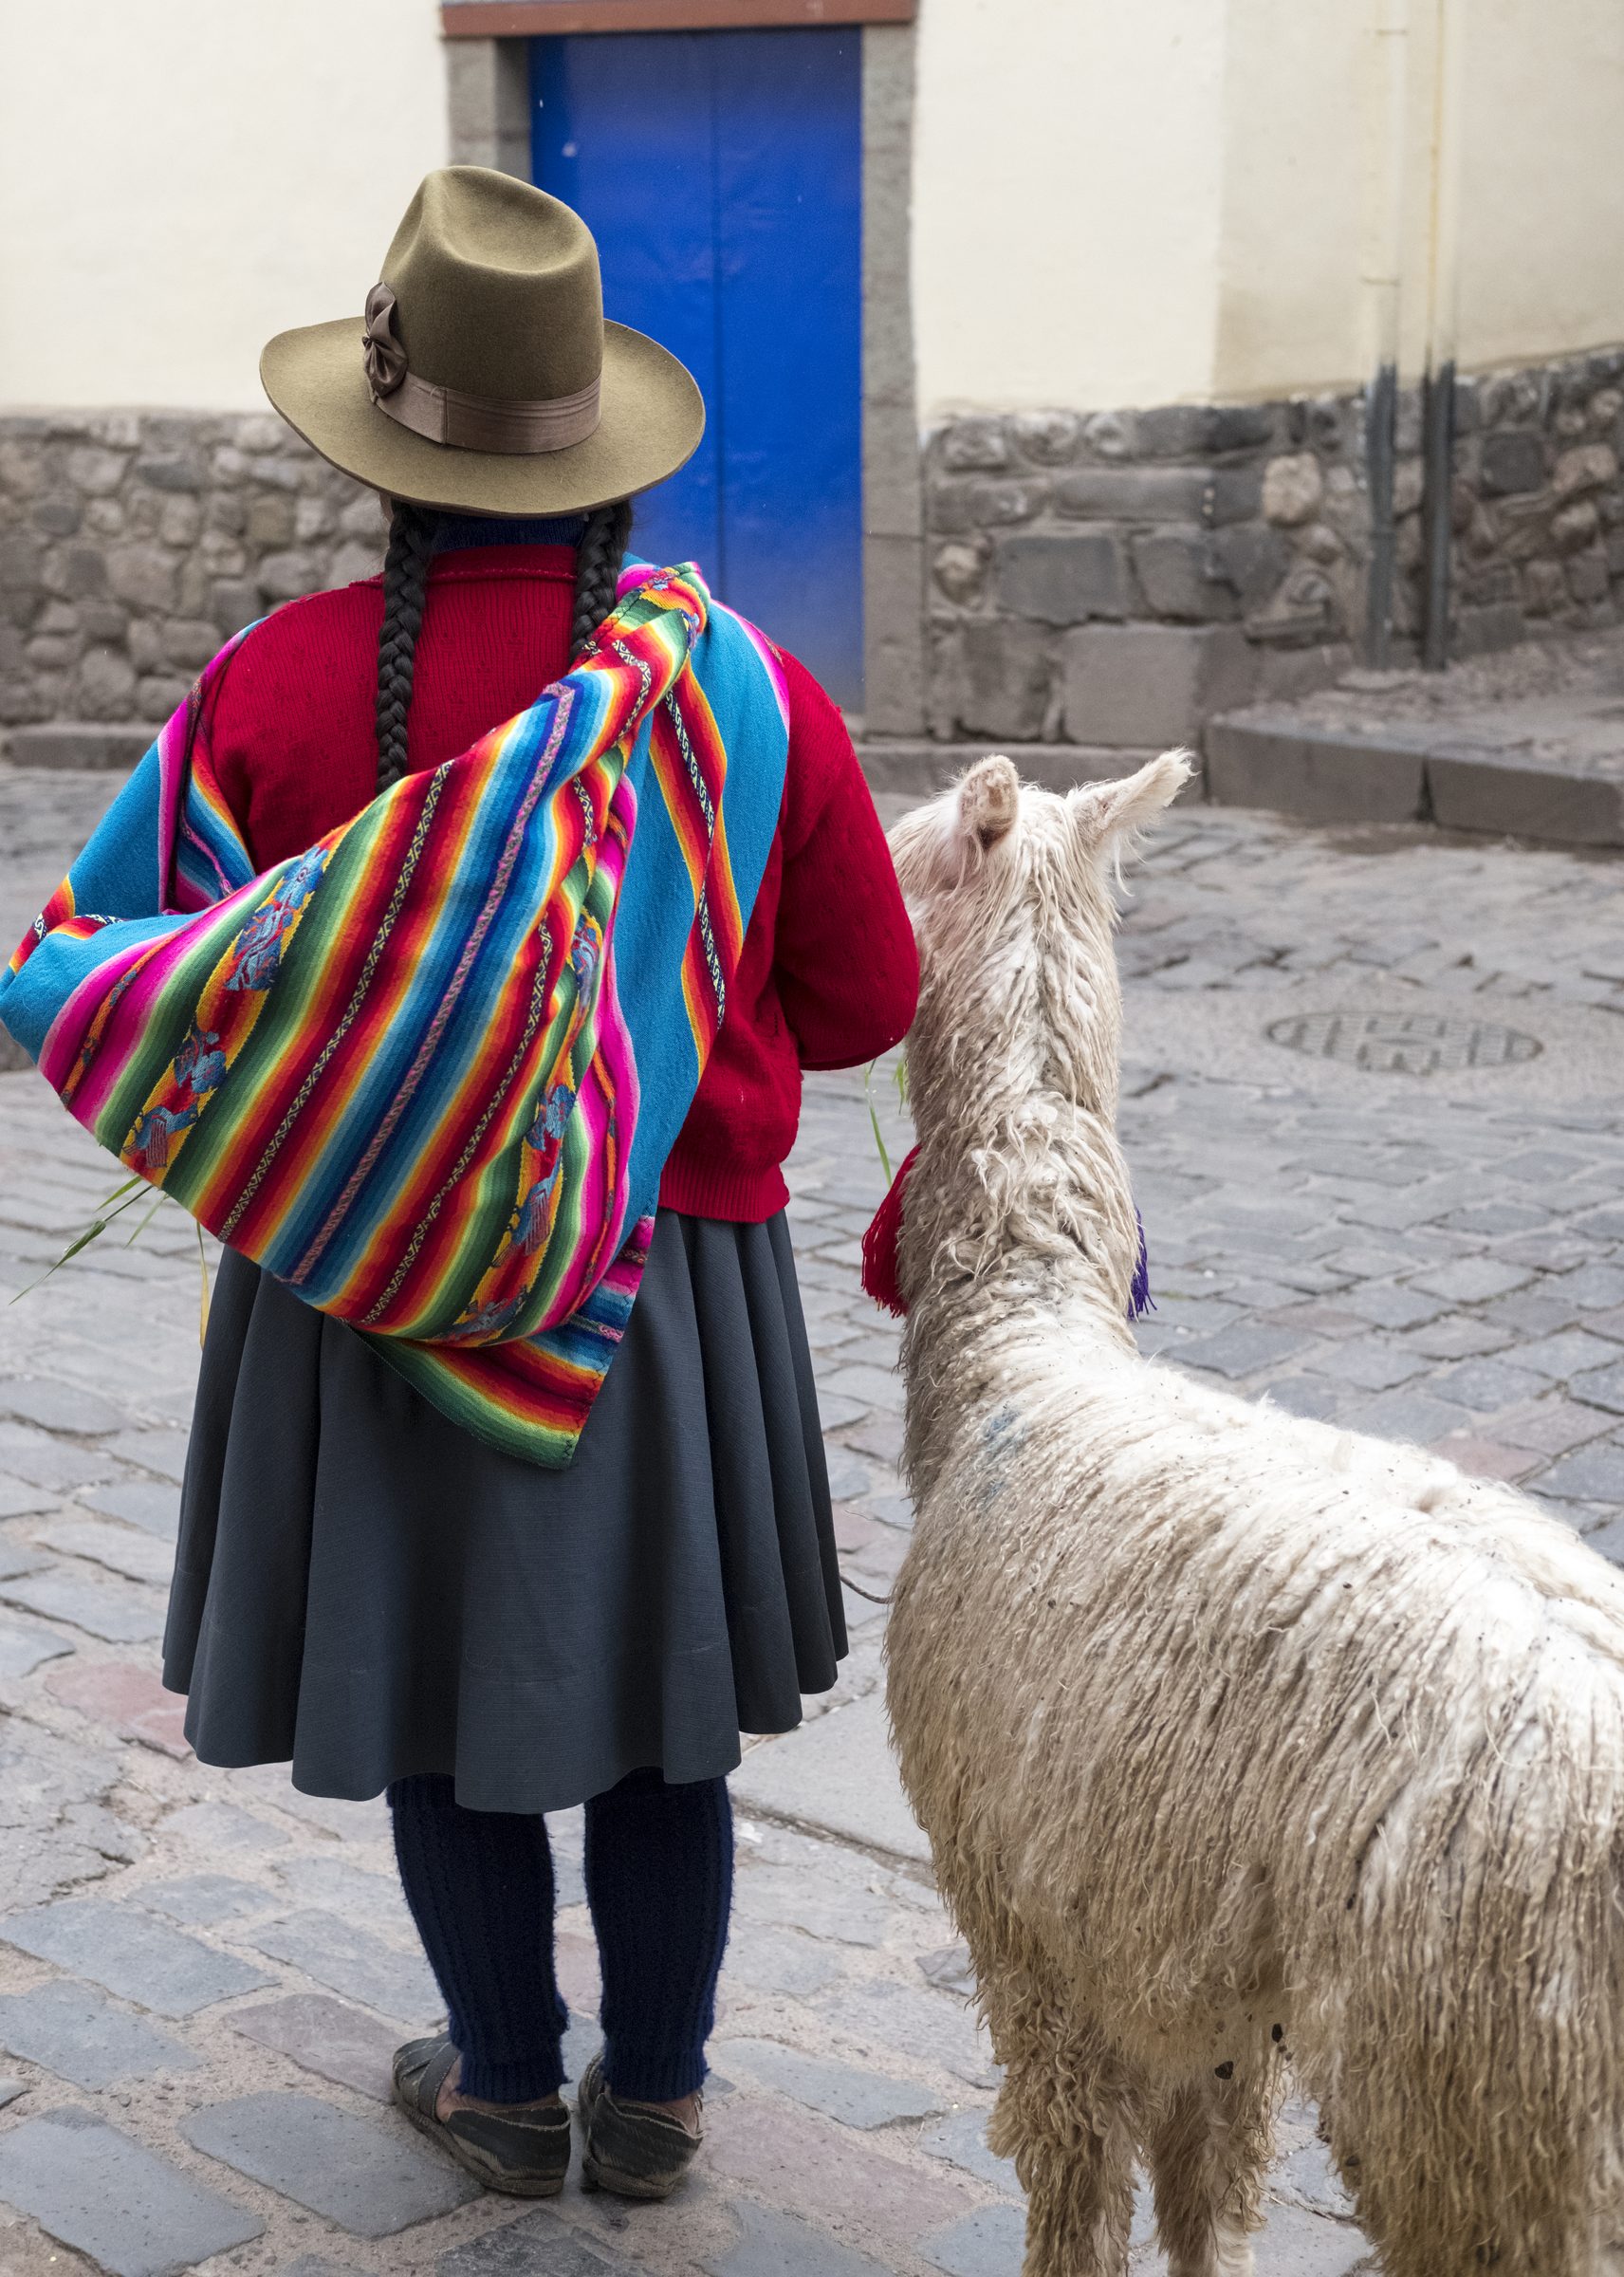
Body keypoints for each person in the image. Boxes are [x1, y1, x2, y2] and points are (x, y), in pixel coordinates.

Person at [152, 169, 918, 2197]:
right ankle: (652, 2104)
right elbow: (861, 1000)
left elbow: (156, 985)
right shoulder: (740, 695)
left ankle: (501, 2081)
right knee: (666, 1724)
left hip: (373, 1284)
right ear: (603, 462)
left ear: (387, 454)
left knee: (435, 1701)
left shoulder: (267, 694)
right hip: (668, 1299)